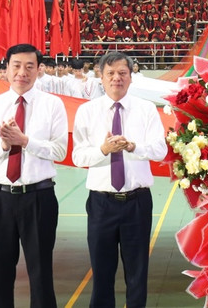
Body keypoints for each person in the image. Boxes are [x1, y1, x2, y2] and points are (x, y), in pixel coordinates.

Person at [0, 44, 68, 308]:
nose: (22, 72)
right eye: (16, 66)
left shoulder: (53, 105)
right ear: (6, 69)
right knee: (0, 272)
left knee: (40, 271)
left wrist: (25, 141)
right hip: (0, 198)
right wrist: (3, 146)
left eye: (29, 66)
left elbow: (60, 151)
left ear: (39, 69)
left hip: (38, 196)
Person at [72, 51, 167, 308]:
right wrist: (103, 150)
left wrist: (133, 146)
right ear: (100, 77)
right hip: (101, 203)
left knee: (137, 271)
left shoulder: (146, 109)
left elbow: (160, 150)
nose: (117, 78)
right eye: (110, 73)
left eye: (123, 73)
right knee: (101, 271)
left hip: (137, 202)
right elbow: (78, 156)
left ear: (131, 77)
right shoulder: (87, 111)